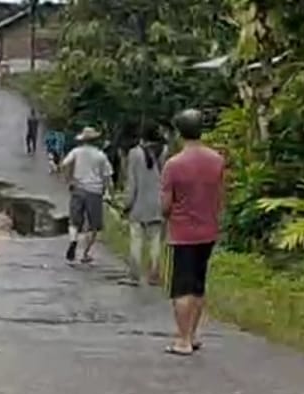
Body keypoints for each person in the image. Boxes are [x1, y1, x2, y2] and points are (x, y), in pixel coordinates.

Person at [160, 108, 226, 356]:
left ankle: (183, 339)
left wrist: (168, 214)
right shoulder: (217, 160)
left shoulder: (173, 165)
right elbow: (221, 196)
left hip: (182, 232)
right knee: (198, 285)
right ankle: (193, 333)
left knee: (181, 288)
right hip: (208, 230)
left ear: (179, 132)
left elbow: (166, 205)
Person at [60, 127, 114, 265]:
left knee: (74, 220)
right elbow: (107, 176)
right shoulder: (100, 155)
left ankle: (73, 241)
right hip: (94, 191)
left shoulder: (76, 152)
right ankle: (85, 253)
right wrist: (109, 192)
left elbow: (64, 164)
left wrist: (69, 180)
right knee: (93, 225)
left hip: (78, 188)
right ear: (95, 140)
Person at [123, 133, 165, 285]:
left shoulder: (134, 153)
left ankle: (134, 274)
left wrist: (127, 204)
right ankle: (154, 274)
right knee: (155, 241)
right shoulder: (163, 152)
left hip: (139, 204)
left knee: (136, 239)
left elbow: (132, 182)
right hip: (157, 204)